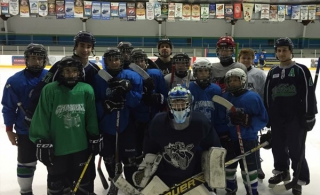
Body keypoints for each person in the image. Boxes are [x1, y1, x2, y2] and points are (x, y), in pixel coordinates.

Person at [24, 31, 99, 194]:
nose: (85, 50)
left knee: (84, 176)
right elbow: (44, 89)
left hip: (81, 129)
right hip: (61, 126)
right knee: (59, 178)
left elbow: (99, 95)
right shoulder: (60, 67)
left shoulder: (94, 69)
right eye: (82, 46)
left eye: (88, 47)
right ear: (75, 46)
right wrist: (31, 112)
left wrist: (95, 132)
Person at [136, 85, 221, 192]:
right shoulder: (157, 122)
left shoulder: (200, 122)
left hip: (194, 176)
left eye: (182, 102)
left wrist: (212, 174)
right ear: (169, 103)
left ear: (190, 102)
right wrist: (147, 170)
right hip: (164, 178)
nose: (179, 106)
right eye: (175, 102)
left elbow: (214, 151)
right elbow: (150, 151)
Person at [264, 37, 317, 195]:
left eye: (284, 50)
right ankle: (282, 171)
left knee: (296, 148)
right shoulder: (273, 72)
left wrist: (309, 114)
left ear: (291, 51)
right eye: (279, 50)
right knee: (278, 147)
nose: (281, 53)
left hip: (295, 118)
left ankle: (299, 179)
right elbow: (267, 94)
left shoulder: (301, 70)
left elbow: (309, 93)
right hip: (277, 118)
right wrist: (268, 115)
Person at [92, 47, 143, 195]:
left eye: (117, 59)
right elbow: (93, 101)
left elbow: (136, 102)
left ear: (121, 61)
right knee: (109, 158)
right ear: (105, 62)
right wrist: (104, 106)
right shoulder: (98, 78)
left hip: (127, 124)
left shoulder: (131, 76)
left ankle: (131, 184)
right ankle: (114, 181)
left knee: (130, 159)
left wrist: (126, 92)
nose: (114, 62)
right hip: (106, 125)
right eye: (110, 60)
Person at [1, 43, 48, 195]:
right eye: (32, 58)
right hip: (25, 131)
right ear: (26, 60)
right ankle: (25, 191)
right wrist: (9, 130)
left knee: (55, 164)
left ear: (44, 59)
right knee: (26, 164)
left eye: (39, 58)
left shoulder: (52, 78)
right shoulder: (14, 81)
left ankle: (55, 189)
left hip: (50, 131)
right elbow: (8, 108)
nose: (36, 61)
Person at [220, 68, 268, 195]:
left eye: (236, 80)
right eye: (230, 80)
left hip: (248, 140)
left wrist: (248, 120)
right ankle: (231, 189)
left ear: (243, 81)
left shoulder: (252, 97)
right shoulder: (225, 97)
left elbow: (263, 119)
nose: (233, 83)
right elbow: (221, 118)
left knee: (249, 169)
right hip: (229, 140)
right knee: (228, 167)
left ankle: (252, 191)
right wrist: (224, 134)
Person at [130, 48, 168, 157]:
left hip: (154, 120)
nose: (139, 64)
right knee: (136, 155)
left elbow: (165, 98)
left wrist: (158, 98)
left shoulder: (155, 74)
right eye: (136, 61)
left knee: (154, 152)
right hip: (135, 122)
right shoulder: (128, 76)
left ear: (146, 61)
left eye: (141, 60)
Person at [238, 48, 267, 180]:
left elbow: (263, 92)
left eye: (249, 58)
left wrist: (262, 111)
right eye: (244, 58)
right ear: (239, 59)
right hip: (237, 112)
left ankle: (256, 166)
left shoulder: (259, 74)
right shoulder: (234, 72)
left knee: (253, 140)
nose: (246, 60)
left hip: (253, 112)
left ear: (253, 59)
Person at [189, 58, 222, 123]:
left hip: (212, 127)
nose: (203, 73)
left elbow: (219, 111)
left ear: (210, 72)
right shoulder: (188, 88)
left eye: (206, 70)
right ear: (195, 73)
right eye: (200, 71)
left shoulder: (216, 89)